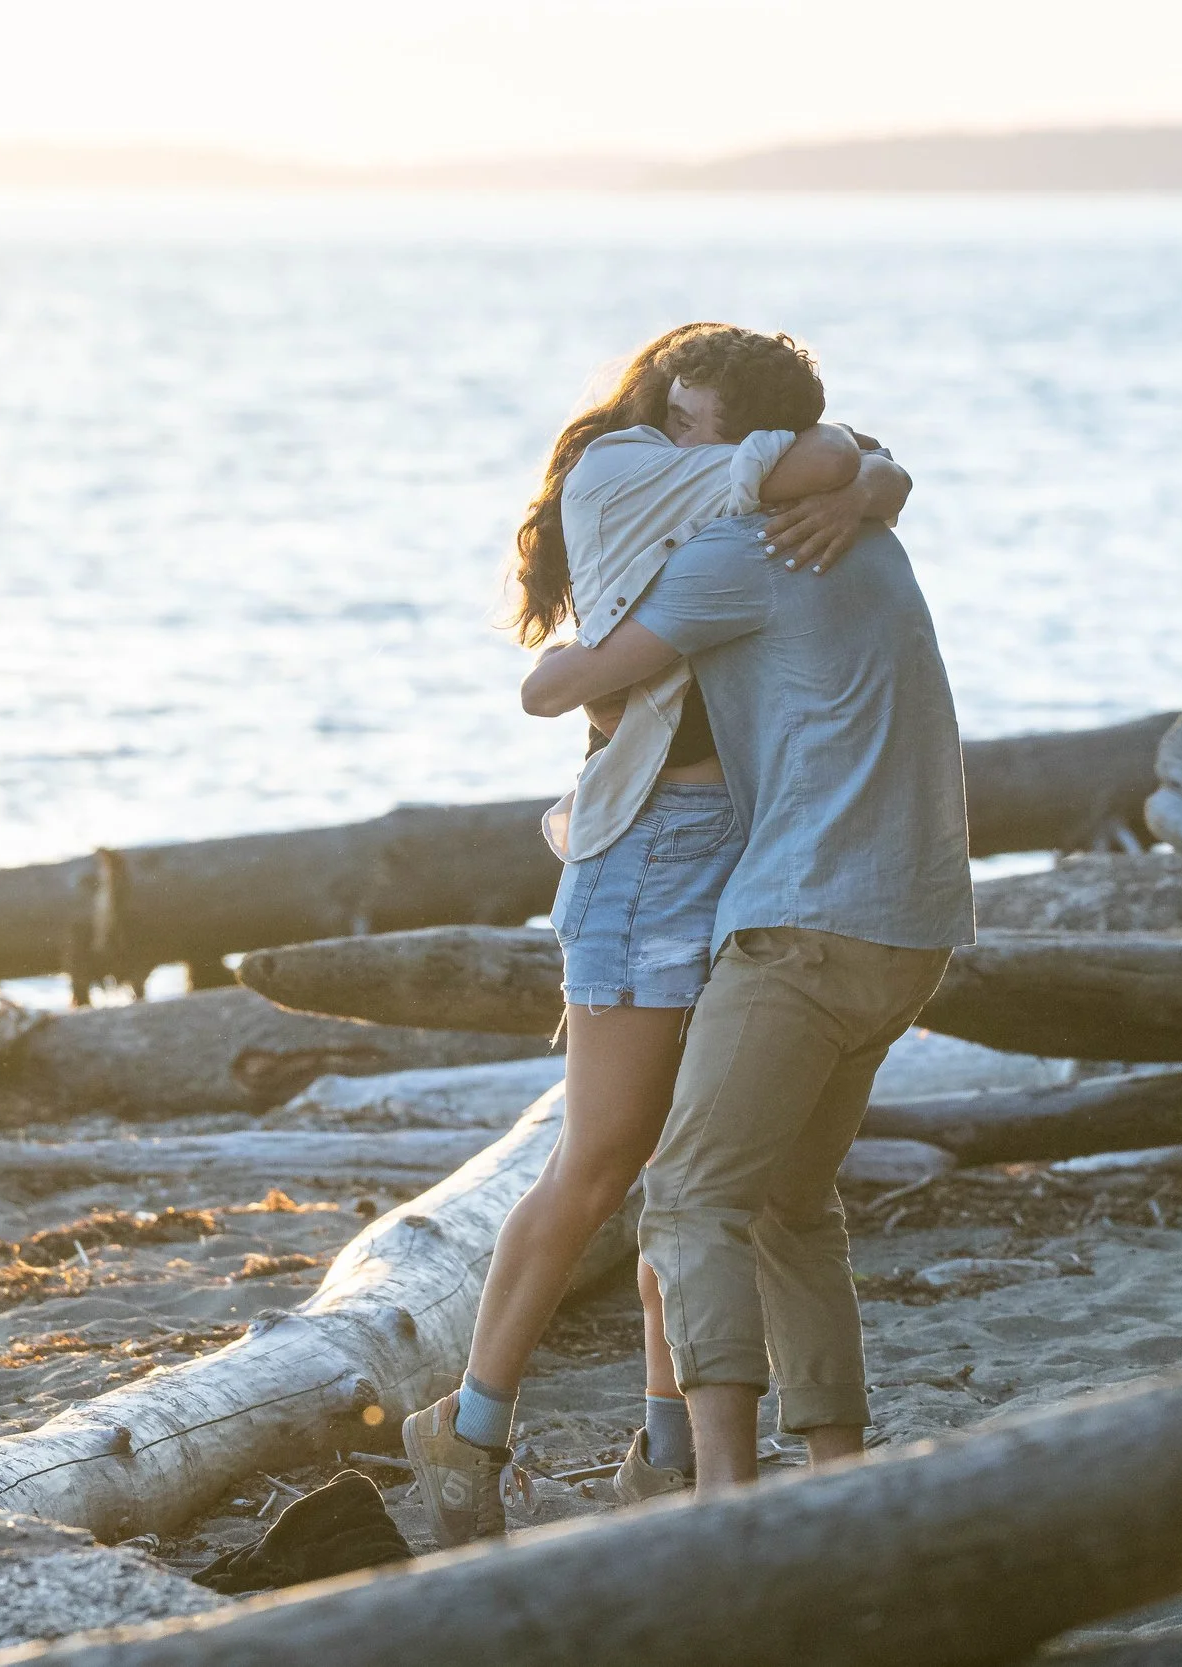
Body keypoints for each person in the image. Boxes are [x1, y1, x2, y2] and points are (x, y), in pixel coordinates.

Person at [401, 324, 912, 1545]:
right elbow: (826, 460)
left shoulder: (730, 481)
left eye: (718, 424)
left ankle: (666, 1441)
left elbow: (847, 462)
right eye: (689, 413)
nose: (703, 440)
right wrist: (866, 477)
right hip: (646, 857)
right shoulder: (627, 464)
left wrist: (878, 480)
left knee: (702, 1160)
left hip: (744, 849)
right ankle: (469, 1426)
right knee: (604, 1156)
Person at [505, 434, 971, 1495]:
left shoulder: (735, 556)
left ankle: (723, 1492)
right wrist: (870, 487)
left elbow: (559, 687)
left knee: (684, 1195)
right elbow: (876, 458)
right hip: (913, 928)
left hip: (801, 926)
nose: (682, 451)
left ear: (760, 445)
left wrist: (558, 663)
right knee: (793, 1206)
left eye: (697, 429)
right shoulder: (874, 539)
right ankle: (836, 1479)